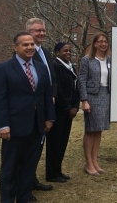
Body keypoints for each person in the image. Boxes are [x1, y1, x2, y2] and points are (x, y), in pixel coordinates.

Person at [0, 32, 55, 203]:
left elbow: (46, 95)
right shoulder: (3, 68)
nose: (30, 47)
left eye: (32, 44)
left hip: (37, 125)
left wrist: (49, 117)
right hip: (14, 126)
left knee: (30, 164)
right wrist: (2, 125)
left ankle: (24, 196)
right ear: (15, 47)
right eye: (25, 44)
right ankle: (7, 198)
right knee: (10, 167)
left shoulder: (41, 68)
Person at [25, 18, 57, 191]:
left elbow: (52, 78)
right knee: (29, 147)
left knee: (39, 143)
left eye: (43, 30)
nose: (42, 33)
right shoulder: (25, 52)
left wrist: (52, 95)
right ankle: (24, 181)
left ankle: (32, 178)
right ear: (29, 32)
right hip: (32, 108)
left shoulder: (45, 51)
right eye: (38, 30)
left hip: (47, 105)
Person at [45, 43, 80, 183]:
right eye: (65, 50)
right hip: (59, 111)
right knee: (54, 143)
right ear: (57, 52)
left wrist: (76, 106)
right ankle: (51, 174)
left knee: (62, 142)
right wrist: (67, 108)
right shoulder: (55, 67)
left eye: (70, 50)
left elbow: (76, 88)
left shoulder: (71, 67)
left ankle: (58, 171)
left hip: (70, 111)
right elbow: (57, 90)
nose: (68, 53)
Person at [79, 33, 111, 175]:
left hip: (106, 96)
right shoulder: (87, 60)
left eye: (105, 41)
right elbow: (82, 80)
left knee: (99, 130)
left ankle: (95, 161)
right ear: (95, 44)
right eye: (100, 41)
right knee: (90, 130)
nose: (103, 44)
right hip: (92, 97)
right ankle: (88, 163)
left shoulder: (110, 60)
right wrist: (84, 100)